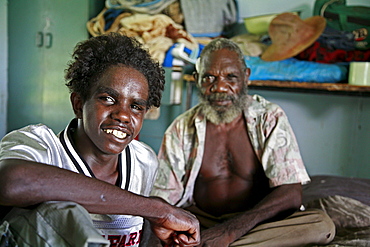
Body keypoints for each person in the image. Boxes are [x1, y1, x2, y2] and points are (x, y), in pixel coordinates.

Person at [0, 33, 200, 247]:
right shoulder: (41, 146)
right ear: (78, 104)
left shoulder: (143, 160)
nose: (123, 115)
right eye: (108, 99)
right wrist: (158, 209)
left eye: (136, 106)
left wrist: (162, 234)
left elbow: (142, 230)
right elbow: (10, 183)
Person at [151, 38, 335, 247]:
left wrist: (229, 232)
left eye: (231, 77)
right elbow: (163, 199)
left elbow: (291, 193)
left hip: (257, 223)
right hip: (201, 224)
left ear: (246, 77)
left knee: (320, 225)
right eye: (209, 78)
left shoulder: (269, 118)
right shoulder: (181, 128)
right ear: (196, 79)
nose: (219, 87)